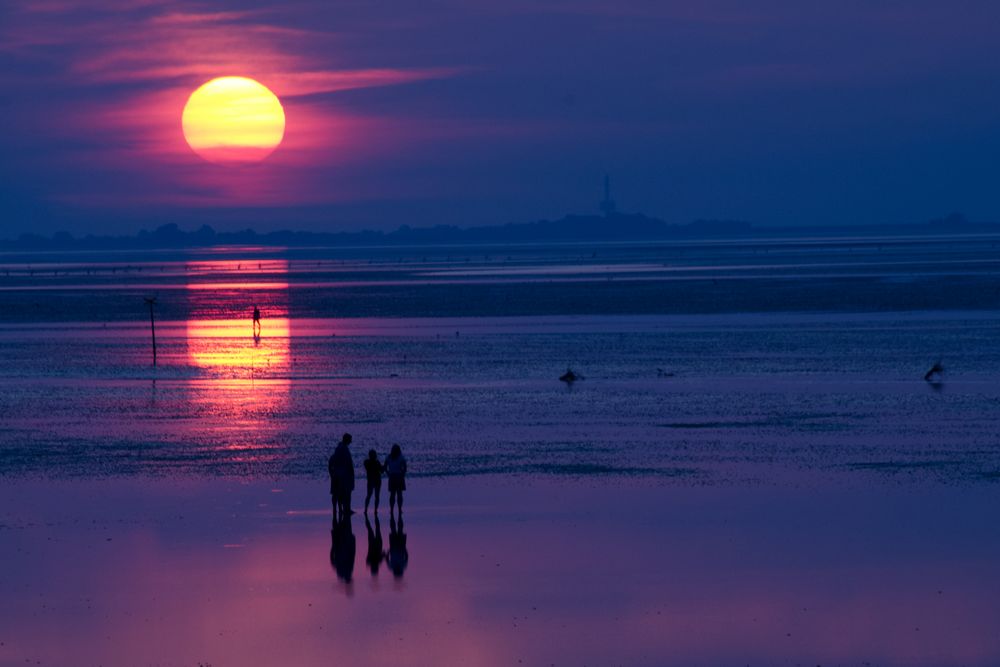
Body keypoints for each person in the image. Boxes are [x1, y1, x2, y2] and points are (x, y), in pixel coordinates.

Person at [331, 433, 355, 519]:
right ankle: (345, 509)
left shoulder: (339, 448)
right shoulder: (343, 449)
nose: (351, 441)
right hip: (343, 474)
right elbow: (347, 462)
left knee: (340, 492)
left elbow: (333, 461)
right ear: (347, 440)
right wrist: (351, 472)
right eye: (350, 440)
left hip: (339, 473)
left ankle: (343, 509)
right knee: (345, 492)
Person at [385, 443, 407, 515]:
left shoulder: (388, 457)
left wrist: (388, 474)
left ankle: (391, 509)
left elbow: (385, 467)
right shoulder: (401, 457)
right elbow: (405, 467)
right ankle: (399, 509)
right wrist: (403, 474)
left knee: (392, 494)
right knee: (399, 494)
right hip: (399, 476)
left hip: (392, 476)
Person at [363, 449, 384, 514]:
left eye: (374, 455)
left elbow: (382, 471)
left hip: (376, 481)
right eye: (373, 455)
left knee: (375, 496)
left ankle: (374, 510)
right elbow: (381, 471)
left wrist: (382, 466)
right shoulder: (368, 462)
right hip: (373, 481)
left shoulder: (373, 462)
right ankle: (367, 509)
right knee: (371, 496)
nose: (374, 456)